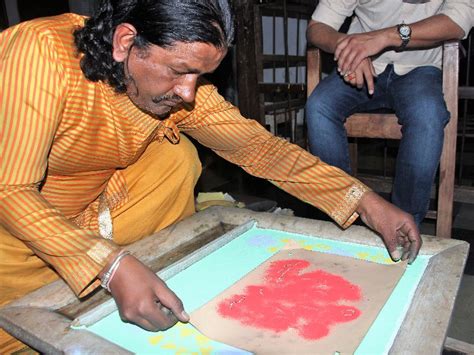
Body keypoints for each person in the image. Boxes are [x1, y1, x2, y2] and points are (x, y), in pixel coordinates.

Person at [1, 0, 421, 333]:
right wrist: (109, 266)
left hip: (102, 210)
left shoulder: (177, 87)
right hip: (18, 232)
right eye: (180, 72)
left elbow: (260, 148)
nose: (188, 93)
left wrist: (364, 201)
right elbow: (9, 191)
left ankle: (145, 272)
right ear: (125, 42)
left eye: (199, 77)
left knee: (174, 156)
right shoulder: (39, 53)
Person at [306, 0, 473, 226]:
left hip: (420, 69)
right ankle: (343, 213)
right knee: (319, 106)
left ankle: (403, 224)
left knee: (428, 115)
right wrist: (347, 45)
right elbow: (317, 26)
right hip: (362, 63)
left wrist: (385, 37)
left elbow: (457, 21)